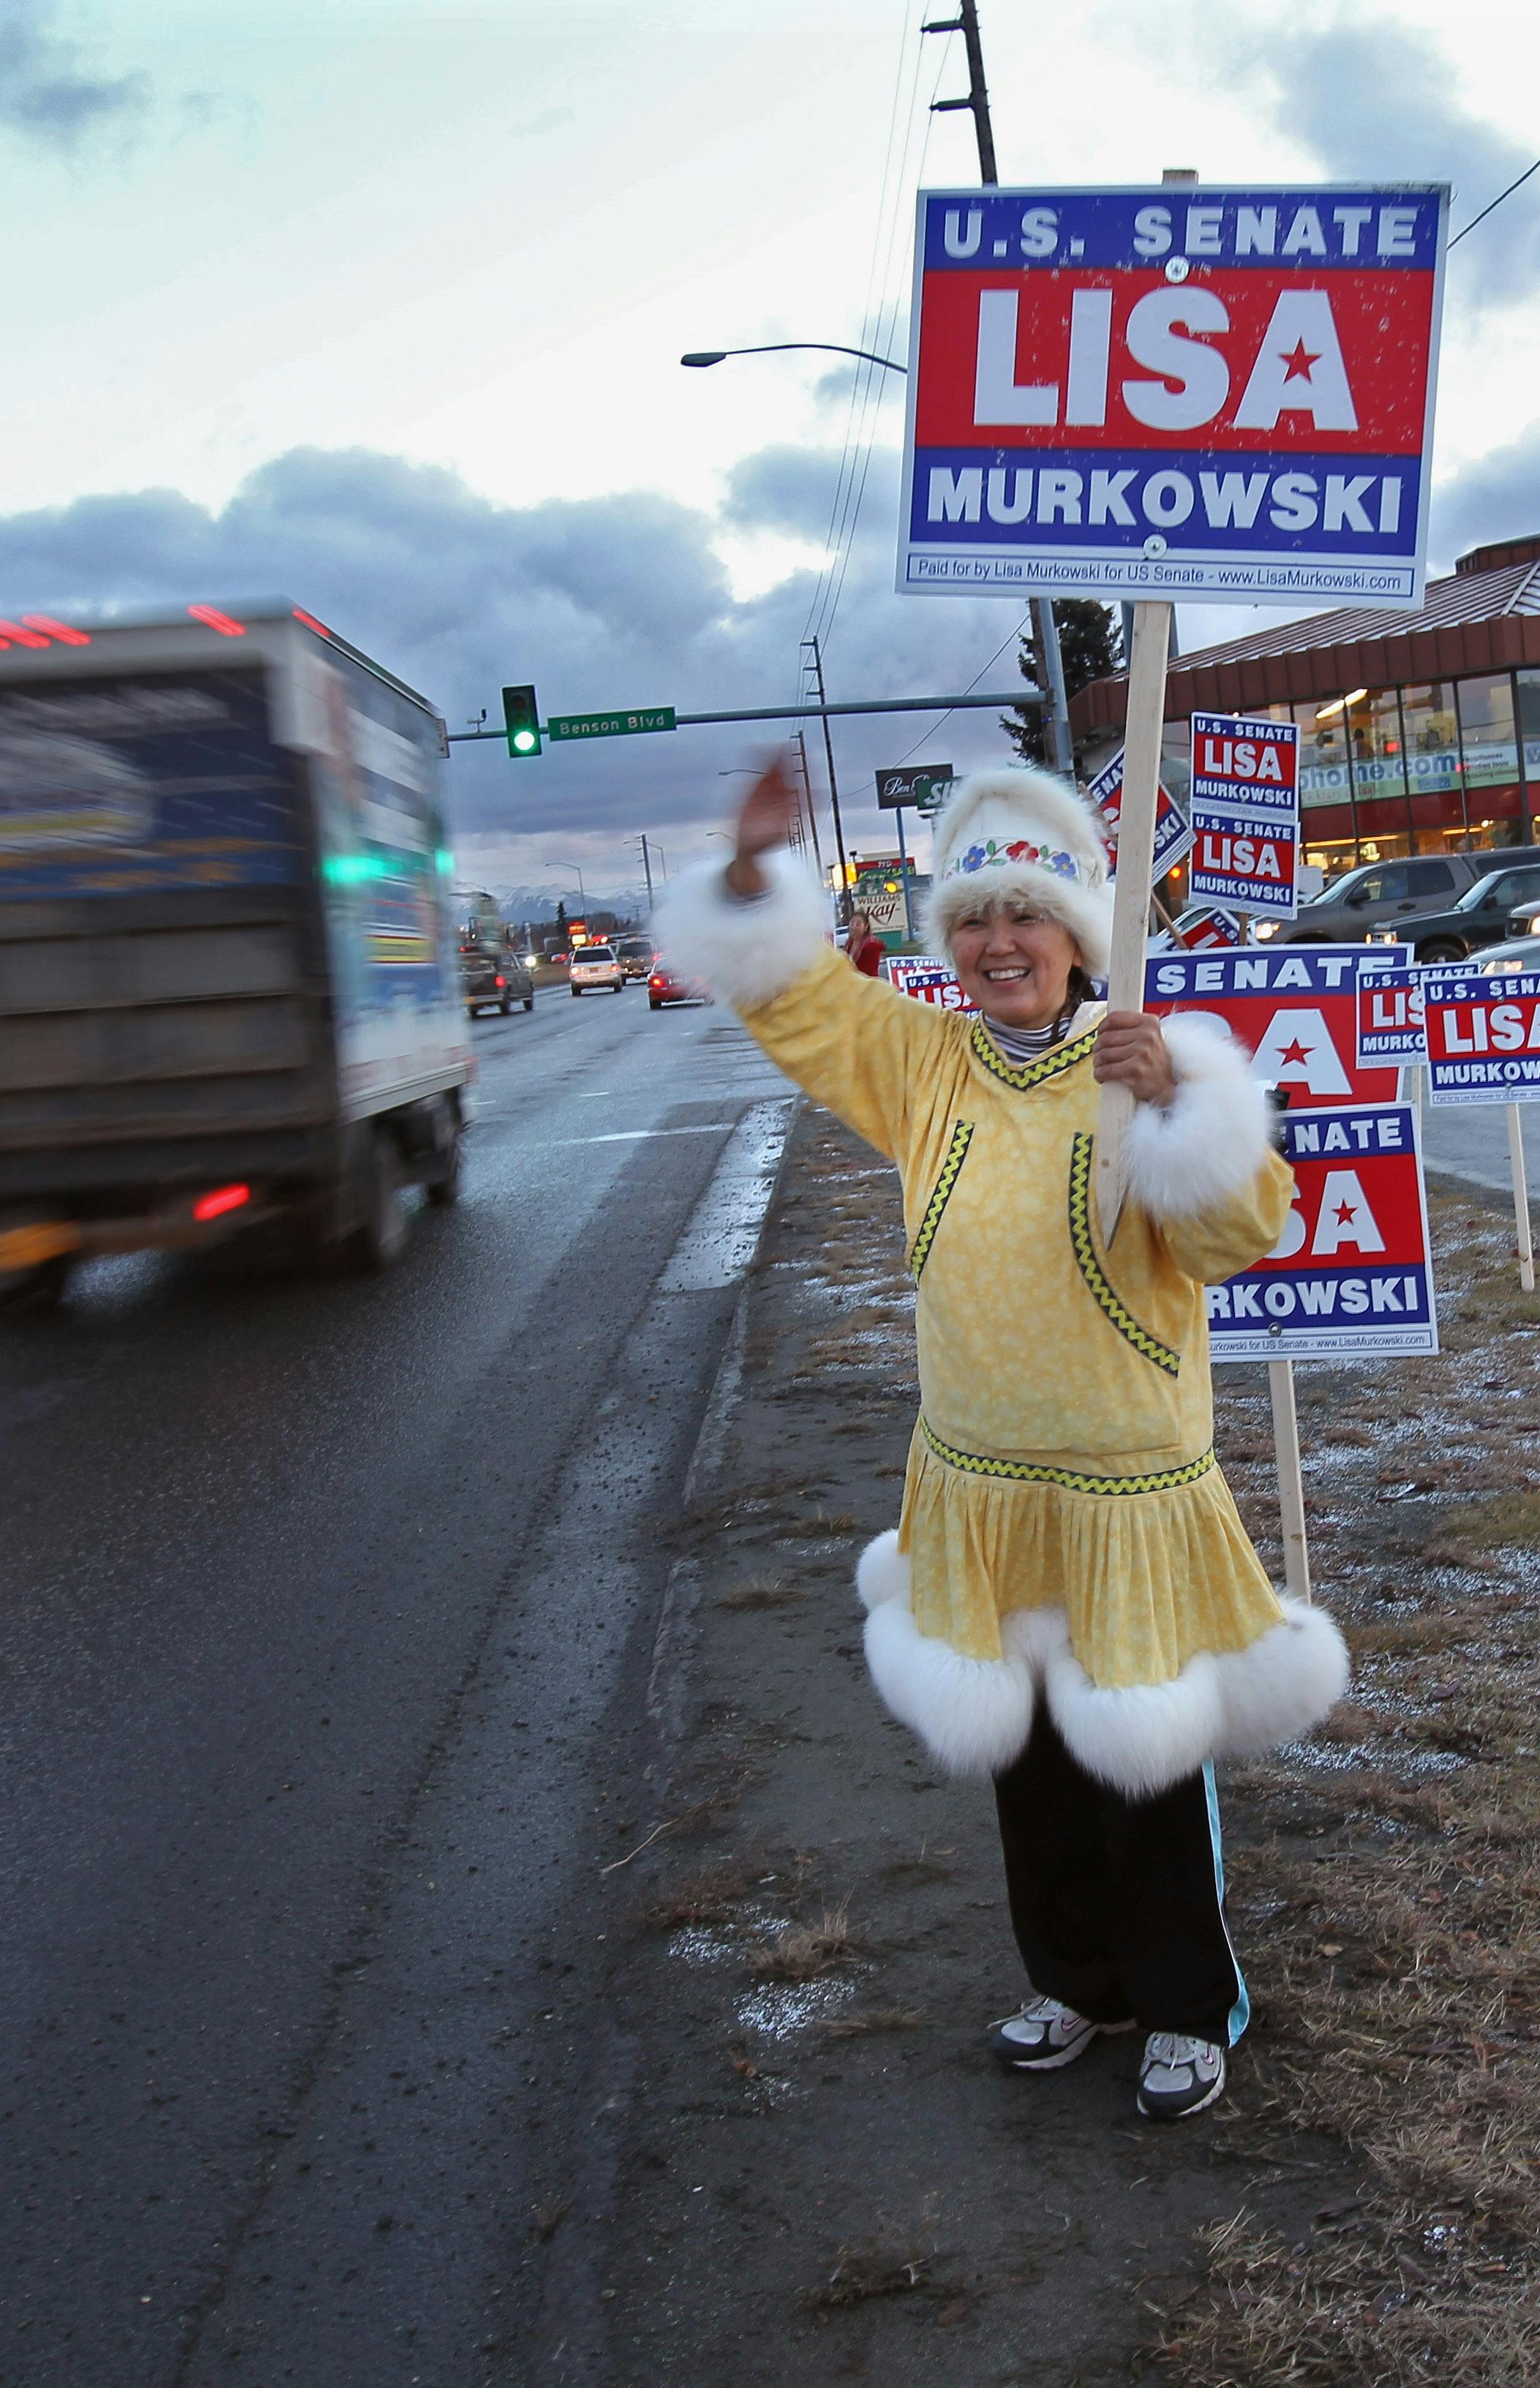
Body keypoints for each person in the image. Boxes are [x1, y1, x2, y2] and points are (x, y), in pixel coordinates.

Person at [655, 757, 1345, 2124]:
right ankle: (1078, 1981)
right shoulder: (922, 1063)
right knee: (1028, 1764)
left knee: (1143, 1762)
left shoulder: (1153, 1055)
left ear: (1076, 933)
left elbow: (1238, 1234)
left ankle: (1187, 2005)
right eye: (974, 919)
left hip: (1124, 1486)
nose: (998, 943)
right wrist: (745, 882)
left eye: (1026, 915)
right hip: (976, 1480)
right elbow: (797, 1000)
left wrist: (1175, 1109)